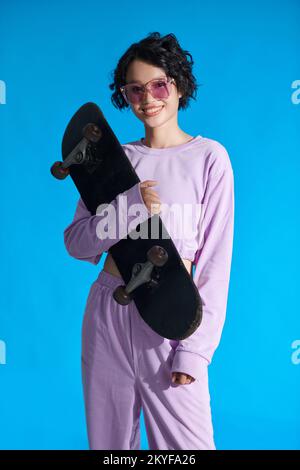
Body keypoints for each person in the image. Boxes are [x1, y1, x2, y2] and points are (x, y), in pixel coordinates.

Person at [64, 32, 234, 450]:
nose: (148, 97)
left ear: (179, 86)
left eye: (159, 84)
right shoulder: (114, 159)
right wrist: (127, 208)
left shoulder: (210, 158)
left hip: (171, 312)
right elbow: (77, 243)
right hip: (109, 312)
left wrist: (193, 352)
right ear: (125, 96)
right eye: (135, 89)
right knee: (111, 449)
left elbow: (214, 265)